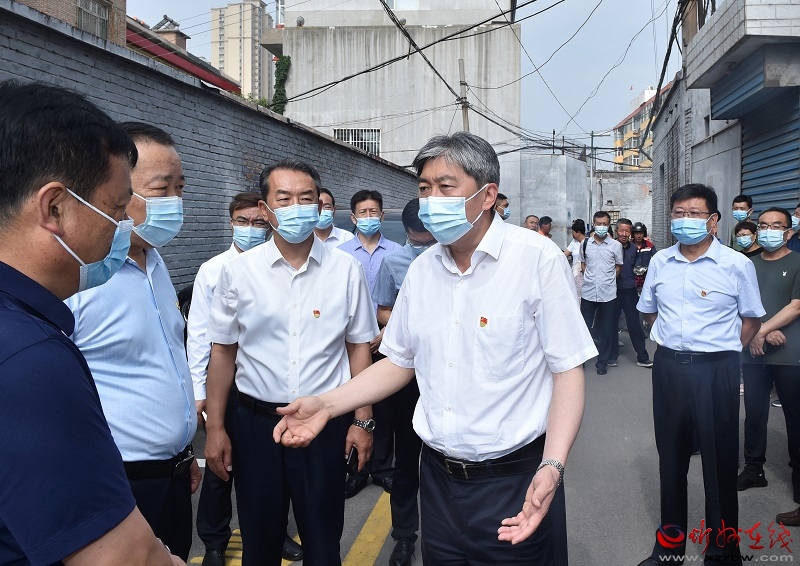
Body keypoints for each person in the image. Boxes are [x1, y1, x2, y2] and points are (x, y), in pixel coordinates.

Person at [273, 132, 597, 565]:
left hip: (515, 481)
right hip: (439, 484)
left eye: (446, 187)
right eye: (424, 189)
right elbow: (398, 362)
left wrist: (552, 466)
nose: (431, 201)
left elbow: (567, 370)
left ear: (487, 195)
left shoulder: (537, 259)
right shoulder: (423, 270)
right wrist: (327, 405)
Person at [0, 80, 184, 565]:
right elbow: (121, 558)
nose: (122, 226)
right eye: (117, 209)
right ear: (55, 208)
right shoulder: (29, 357)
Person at [204, 158, 378, 566]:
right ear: (265, 209)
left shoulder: (346, 270)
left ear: (319, 205)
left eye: (306, 198)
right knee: (259, 541)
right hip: (255, 425)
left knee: (323, 540)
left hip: (324, 424)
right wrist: (215, 428)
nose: (295, 207)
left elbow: (358, 347)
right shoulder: (238, 273)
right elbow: (223, 352)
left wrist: (363, 420)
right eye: (283, 199)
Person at [65, 122, 199, 561]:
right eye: (161, 189)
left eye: (180, 188)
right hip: (115, 485)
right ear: (116, 190)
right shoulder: (81, 278)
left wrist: (182, 453)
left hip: (173, 475)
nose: (175, 201)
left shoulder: (155, 263)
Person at [635, 183, 764, 566]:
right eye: (679, 213)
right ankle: (669, 550)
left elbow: (751, 319)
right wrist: (676, 342)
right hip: (669, 369)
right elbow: (649, 311)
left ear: (712, 220)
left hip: (717, 371)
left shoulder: (736, 265)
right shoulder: (660, 262)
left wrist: (722, 351)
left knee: (720, 462)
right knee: (671, 460)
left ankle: (723, 552)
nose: (685, 220)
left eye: (694, 214)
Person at [187, 193, 302, 566]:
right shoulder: (213, 270)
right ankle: (215, 541)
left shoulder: (281, 266)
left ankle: (276, 534)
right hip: (225, 386)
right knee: (220, 465)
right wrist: (199, 391)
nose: (250, 228)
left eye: (257, 222)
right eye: (242, 221)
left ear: (268, 222)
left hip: (264, 389)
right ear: (231, 222)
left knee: (271, 471)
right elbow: (200, 336)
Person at [371, 198, 436, 566]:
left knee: (446, 460)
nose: (424, 245)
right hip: (407, 375)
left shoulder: (459, 258)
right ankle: (404, 537)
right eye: (417, 240)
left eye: (430, 239)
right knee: (407, 460)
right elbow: (382, 308)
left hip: (447, 374)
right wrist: (406, 318)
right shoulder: (394, 262)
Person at [738, 209, 800, 526]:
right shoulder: (747, 264)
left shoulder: (798, 262)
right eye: (763, 225)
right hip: (753, 352)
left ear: (788, 232)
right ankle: (754, 469)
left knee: (796, 418)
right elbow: (738, 304)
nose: (768, 230)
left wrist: (760, 330)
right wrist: (759, 333)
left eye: (776, 226)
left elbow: (796, 306)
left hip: (789, 354)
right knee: (754, 412)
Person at [338, 189, 402, 498]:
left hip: (387, 337)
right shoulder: (340, 254)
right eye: (362, 213)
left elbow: (405, 301)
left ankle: (383, 468)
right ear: (353, 218)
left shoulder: (397, 252)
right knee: (356, 402)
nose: (368, 217)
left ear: (382, 215)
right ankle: (357, 470)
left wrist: (386, 332)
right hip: (352, 341)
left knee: (385, 407)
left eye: (373, 212)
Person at [580, 211, 623, 375]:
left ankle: (602, 362)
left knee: (606, 329)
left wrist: (607, 280)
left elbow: (618, 266)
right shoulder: (585, 244)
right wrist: (591, 278)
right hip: (588, 292)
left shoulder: (615, 246)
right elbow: (583, 264)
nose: (602, 227)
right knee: (584, 328)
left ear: (609, 225)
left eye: (605, 224)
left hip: (608, 294)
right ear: (593, 224)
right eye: (599, 224)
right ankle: (581, 361)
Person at [609, 219, 653, 368]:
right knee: (611, 323)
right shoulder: (610, 247)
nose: (624, 234)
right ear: (616, 231)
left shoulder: (634, 249)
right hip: (613, 291)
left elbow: (638, 268)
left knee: (635, 324)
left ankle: (642, 357)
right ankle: (611, 356)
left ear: (630, 233)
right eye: (621, 230)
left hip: (630, 291)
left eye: (627, 231)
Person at [563, 219, 586, 300]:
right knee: (575, 296)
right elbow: (565, 254)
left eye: (573, 232)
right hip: (575, 273)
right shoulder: (573, 243)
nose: (572, 234)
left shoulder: (588, 242)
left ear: (578, 233)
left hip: (585, 274)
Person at [632, 222, 656, 293]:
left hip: (646, 276)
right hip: (632, 277)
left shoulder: (649, 246)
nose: (638, 236)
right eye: (636, 233)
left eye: (641, 233)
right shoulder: (630, 246)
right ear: (633, 234)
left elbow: (656, 259)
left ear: (644, 234)